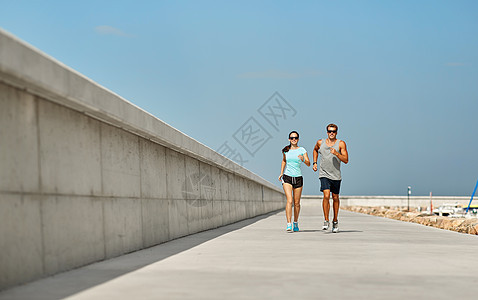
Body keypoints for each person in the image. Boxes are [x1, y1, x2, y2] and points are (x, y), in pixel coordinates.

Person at [312, 124, 349, 233]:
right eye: (329, 131)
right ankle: (326, 220)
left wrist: (336, 153)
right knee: (326, 195)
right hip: (324, 174)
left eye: (333, 131)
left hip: (336, 175)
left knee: (335, 197)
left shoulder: (341, 143)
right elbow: (315, 150)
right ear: (327, 132)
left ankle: (335, 220)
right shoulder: (320, 142)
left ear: (336, 132)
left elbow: (346, 160)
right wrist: (315, 162)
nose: (331, 133)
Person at [279, 131, 310, 232]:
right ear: (289, 139)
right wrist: (281, 173)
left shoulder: (302, 150)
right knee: (290, 200)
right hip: (287, 177)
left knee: (297, 203)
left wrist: (303, 159)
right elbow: (284, 161)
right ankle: (288, 223)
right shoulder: (286, 150)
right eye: (292, 138)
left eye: (295, 138)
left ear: (298, 139)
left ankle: (295, 222)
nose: (294, 139)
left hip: (298, 178)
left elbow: (309, 163)